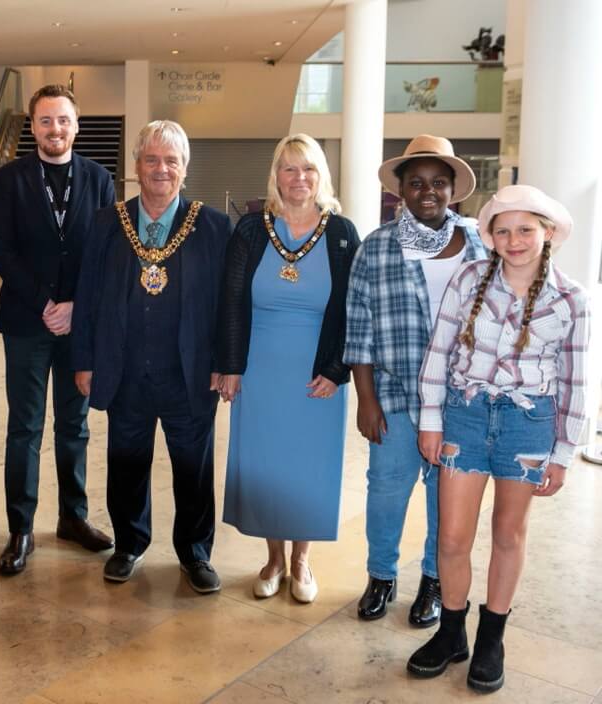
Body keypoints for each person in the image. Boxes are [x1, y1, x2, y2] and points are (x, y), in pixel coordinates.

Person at [407, 185, 589, 693]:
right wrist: (430, 420)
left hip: (528, 426)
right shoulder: (469, 279)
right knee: (451, 536)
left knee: (508, 534)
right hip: (464, 418)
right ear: (490, 237)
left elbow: (576, 379)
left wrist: (564, 452)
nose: (514, 240)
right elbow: (439, 353)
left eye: (525, 229)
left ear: (547, 233)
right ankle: (451, 634)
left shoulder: (573, 299)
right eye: (503, 230)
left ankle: (491, 639)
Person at [72, 120, 231, 593]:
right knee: (126, 461)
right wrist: (85, 360)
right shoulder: (107, 223)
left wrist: (226, 364)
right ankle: (128, 544)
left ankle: (195, 553)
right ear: (137, 166)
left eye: (172, 161)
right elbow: (89, 295)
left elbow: (229, 304)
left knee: (194, 469)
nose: (162, 169)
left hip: (191, 373)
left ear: (185, 168)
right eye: (152, 160)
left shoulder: (213, 226)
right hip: (125, 372)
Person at [345, 135, 487, 627]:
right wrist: (365, 400)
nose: (428, 191)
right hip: (395, 394)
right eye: (417, 183)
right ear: (400, 191)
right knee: (386, 488)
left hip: (460, 401)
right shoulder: (376, 247)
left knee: (443, 496)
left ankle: (433, 579)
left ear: (453, 190)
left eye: (438, 183)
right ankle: (380, 575)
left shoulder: (478, 246)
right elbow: (358, 328)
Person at [216, 134, 360, 604]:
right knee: (266, 465)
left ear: (322, 176)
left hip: (316, 374)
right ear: (275, 175)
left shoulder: (341, 233)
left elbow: (351, 309)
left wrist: (338, 369)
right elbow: (231, 301)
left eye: (309, 169)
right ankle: (274, 559)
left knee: (306, 467)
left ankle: (301, 561)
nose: (299, 179)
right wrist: (230, 365)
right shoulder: (252, 230)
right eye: (290, 169)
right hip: (260, 369)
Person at [0, 84, 116, 575]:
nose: (54, 129)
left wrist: (76, 305)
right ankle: (20, 527)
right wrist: (45, 302)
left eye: (63, 120)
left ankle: (73, 517)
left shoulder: (99, 179)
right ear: (33, 127)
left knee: (75, 425)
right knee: (24, 427)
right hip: (27, 320)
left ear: (76, 125)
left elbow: (105, 252)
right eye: (45, 121)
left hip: (80, 324)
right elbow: (1, 248)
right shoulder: (12, 178)